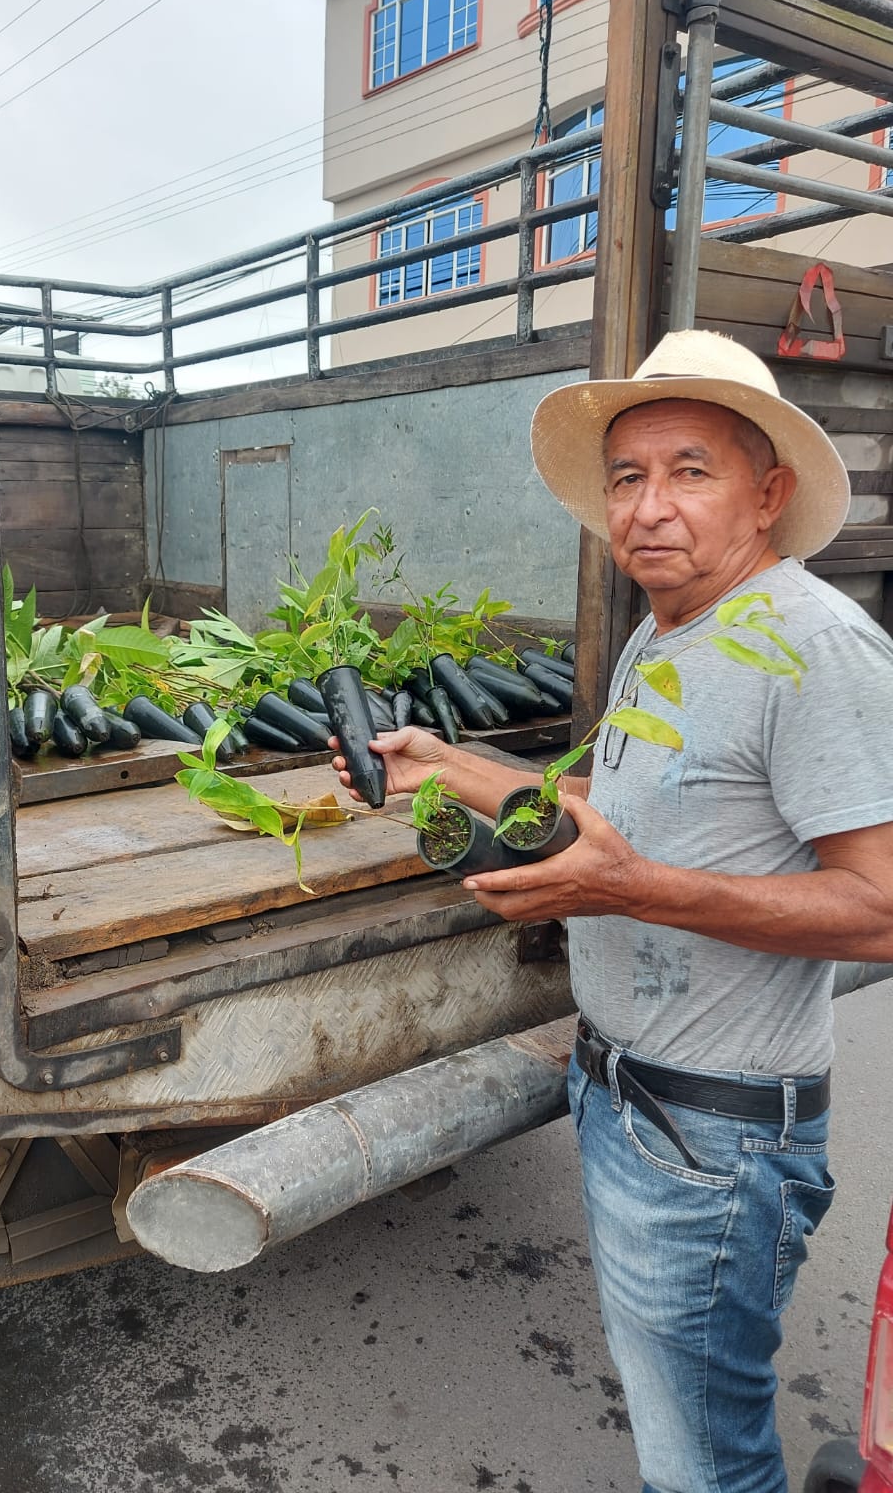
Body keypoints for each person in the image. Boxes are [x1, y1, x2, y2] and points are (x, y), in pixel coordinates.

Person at [332, 329, 893, 1493]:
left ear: (768, 493)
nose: (648, 507)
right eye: (628, 476)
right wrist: (445, 763)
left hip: (715, 1140)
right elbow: (613, 804)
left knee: (704, 1468)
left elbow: (882, 908)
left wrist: (633, 892)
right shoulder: (668, 630)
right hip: (630, 1104)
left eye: (691, 470)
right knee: (686, 1433)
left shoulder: (813, 643)